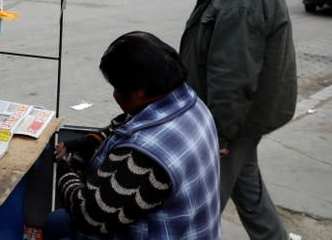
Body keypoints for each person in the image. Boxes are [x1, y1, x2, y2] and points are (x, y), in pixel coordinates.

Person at [179, 0, 297, 240]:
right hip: (246, 114)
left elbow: (232, 74)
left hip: (237, 119)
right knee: (248, 191)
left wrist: (220, 135)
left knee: (203, 203)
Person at [44, 31, 220, 240]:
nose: (115, 95)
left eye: (118, 88)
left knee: (60, 224)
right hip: (192, 228)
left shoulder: (144, 156)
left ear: (140, 91)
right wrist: (85, 144)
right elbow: (122, 124)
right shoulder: (191, 103)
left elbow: (89, 216)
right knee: (57, 222)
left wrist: (65, 165)